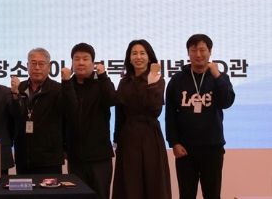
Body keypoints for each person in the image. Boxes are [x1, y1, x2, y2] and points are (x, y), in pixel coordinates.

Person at [165, 34, 236, 199]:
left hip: (213, 147)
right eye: (193, 50)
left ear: (210, 52)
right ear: (188, 53)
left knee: (212, 194)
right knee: (186, 195)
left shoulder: (220, 78)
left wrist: (218, 76)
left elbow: (227, 102)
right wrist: (173, 142)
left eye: (202, 50)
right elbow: (170, 114)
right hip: (185, 149)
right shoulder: (177, 80)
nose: (198, 54)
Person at [112, 39, 171, 199]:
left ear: (149, 57)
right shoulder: (124, 82)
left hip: (150, 135)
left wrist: (151, 83)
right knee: (130, 183)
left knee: (153, 181)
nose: (138, 57)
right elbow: (119, 113)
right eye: (134, 53)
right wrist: (116, 139)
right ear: (129, 58)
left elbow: (155, 109)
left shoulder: (157, 79)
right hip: (128, 136)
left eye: (142, 53)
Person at [11, 47, 75, 174]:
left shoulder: (58, 89)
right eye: (33, 63)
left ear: (49, 67)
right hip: (23, 157)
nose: (37, 67)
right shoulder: (19, 88)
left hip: (49, 160)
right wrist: (15, 96)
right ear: (27, 66)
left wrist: (67, 83)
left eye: (41, 64)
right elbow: (14, 118)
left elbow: (71, 110)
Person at [65, 43, 116, 199]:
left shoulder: (102, 83)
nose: (81, 62)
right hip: (75, 157)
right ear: (72, 63)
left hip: (99, 157)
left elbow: (112, 99)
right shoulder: (67, 85)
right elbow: (66, 113)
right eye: (76, 59)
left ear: (93, 63)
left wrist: (103, 76)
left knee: (100, 195)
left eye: (85, 59)